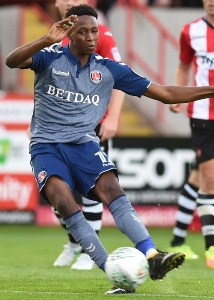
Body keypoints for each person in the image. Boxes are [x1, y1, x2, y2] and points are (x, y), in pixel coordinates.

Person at [7, 4, 214, 294]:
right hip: (47, 147)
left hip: (84, 144)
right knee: (64, 201)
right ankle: (112, 270)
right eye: (83, 32)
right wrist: (45, 39)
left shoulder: (108, 69)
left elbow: (166, 93)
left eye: (95, 31)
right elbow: (11, 61)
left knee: (112, 188)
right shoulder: (49, 58)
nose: (91, 37)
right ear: (70, 34)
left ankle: (153, 256)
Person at [52, 0, 125, 270]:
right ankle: (74, 243)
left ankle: (88, 249)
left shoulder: (99, 34)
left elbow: (120, 77)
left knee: (91, 186)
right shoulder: (56, 37)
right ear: (56, 3)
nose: (70, 2)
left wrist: (114, 117)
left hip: (94, 122)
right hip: (59, 126)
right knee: (56, 191)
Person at [169, 0, 214, 268]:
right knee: (209, 179)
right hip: (202, 117)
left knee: (198, 177)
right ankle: (212, 248)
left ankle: (177, 240)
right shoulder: (191, 31)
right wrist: (178, 92)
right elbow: (184, 65)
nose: (211, 3)